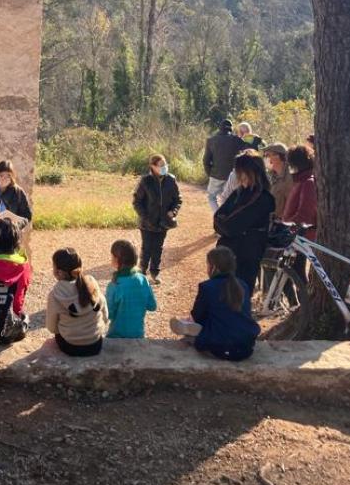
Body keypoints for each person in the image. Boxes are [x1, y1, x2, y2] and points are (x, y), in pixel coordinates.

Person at [170, 247, 259, 361]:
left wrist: (191, 321)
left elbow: (197, 316)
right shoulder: (243, 285)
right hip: (246, 346)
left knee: (193, 332)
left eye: (207, 265)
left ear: (214, 267)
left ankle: (189, 331)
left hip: (220, 346)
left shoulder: (207, 287)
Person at [213, 152, 275, 292]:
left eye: (239, 171)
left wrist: (223, 224)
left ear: (249, 172)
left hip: (246, 255)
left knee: (239, 294)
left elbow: (231, 225)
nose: (237, 175)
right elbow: (218, 218)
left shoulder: (263, 198)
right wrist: (223, 224)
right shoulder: (240, 192)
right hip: (230, 252)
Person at [46, 248, 108, 357]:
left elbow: (52, 328)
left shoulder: (55, 295)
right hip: (96, 344)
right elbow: (105, 315)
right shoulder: (91, 283)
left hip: (70, 346)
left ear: (58, 272)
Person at [132, 154, 182, 285]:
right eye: (160, 165)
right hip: (147, 223)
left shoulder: (171, 180)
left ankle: (154, 273)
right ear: (152, 167)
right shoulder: (145, 181)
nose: (164, 167)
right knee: (146, 248)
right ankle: (141, 273)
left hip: (164, 222)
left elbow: (178, 200)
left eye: (165, 164)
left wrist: (173, 211)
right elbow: (137, 202)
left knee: (158, 248)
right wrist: (146, 217)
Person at [105, 239, 157, 339]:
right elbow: (152, 306)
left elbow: (108, 314)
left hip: (116, 336)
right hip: (138, 335)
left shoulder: (114, 285)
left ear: (116, 259)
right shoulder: (143, 279)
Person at [203, 120, 244, 212]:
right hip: (233, 175)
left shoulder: (211, 140)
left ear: (219, 128)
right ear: (231, 128)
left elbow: (206, 160)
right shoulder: (236, 140)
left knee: (211, 197)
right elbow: (248, 150)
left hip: (216, 174)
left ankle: (218, 215)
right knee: (228, 198)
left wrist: (210, 173)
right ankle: (227, 218)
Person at [282, 144, 318, 238]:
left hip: (304, 240)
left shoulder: (308, 183)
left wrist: (285, 227)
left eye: (290, 164)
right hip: (296, 237)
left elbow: (305, 215)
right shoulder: (300, 181)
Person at [263, 143, 292, 218]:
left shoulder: (290, 176)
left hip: (287, 223)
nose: (265, 159)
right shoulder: (270, 176)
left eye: (267, 155)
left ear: (278, 156)